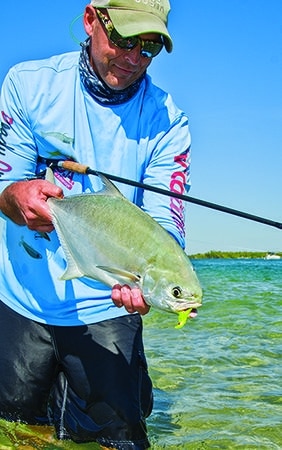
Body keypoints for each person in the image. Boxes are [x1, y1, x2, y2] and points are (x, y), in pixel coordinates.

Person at [0, 0, 191, 449]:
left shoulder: (169, 121)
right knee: (18, 431)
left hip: (109, 301)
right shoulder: (28, 85)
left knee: (120, 440)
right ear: (91, 20)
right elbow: (6, 184)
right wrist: (17, 197)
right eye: (124, 39)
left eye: (148, 49)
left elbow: (166, 221)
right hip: (24, 298)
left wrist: (153, 281)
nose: (132, 58)